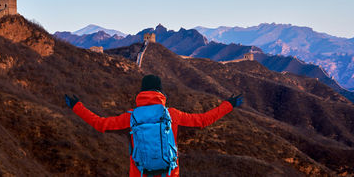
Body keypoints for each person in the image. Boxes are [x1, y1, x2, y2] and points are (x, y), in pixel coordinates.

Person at [65, 75, 243, 177]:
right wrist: (229, 104)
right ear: (161, 92)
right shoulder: (172, 115)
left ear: (141, 93)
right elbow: (204, 120)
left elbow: (100, 124)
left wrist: (76, 106)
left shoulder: (130, 118)